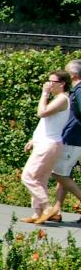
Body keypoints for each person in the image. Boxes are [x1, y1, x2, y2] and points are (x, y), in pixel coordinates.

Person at [19, 70, 70, 224]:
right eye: (47, 81)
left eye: (52, 82)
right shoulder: (58, 99)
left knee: (28, 177)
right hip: (45, 143)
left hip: (49, 145)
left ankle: (48, 208)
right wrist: (34, 139)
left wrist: (44, 94)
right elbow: (47, 124)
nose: (48, 84)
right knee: (39, 179)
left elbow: (42, 113)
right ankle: (37, 213)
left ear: (62, 84)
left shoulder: (62, 99)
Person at [45, 59, 81, 223]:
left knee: (58, 173)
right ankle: (56, 210)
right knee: (64, 173)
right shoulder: (76, 91)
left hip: (74, 138)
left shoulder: (79, 91)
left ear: (72, 75)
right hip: (71, 137)